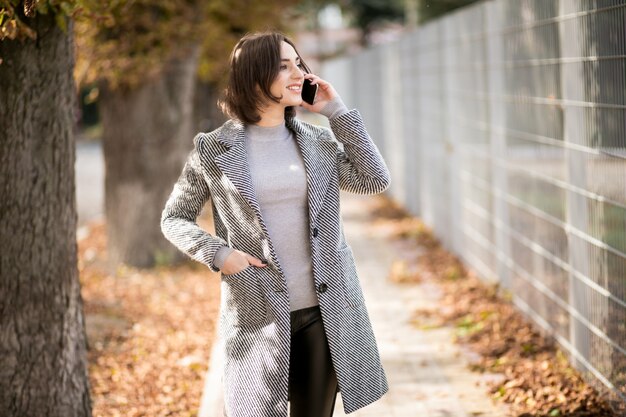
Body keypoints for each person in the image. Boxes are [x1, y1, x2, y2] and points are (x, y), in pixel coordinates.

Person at [160, 31, 390, 417]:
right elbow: (174, 218)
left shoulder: (318, 142)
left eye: (298, 63)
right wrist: (219, 254)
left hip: (326, 311)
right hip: (257, 314)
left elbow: (373, 179)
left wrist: (337, 114)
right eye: (283, 66)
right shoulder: (213, 149)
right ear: (253, 76)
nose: (297, 72)